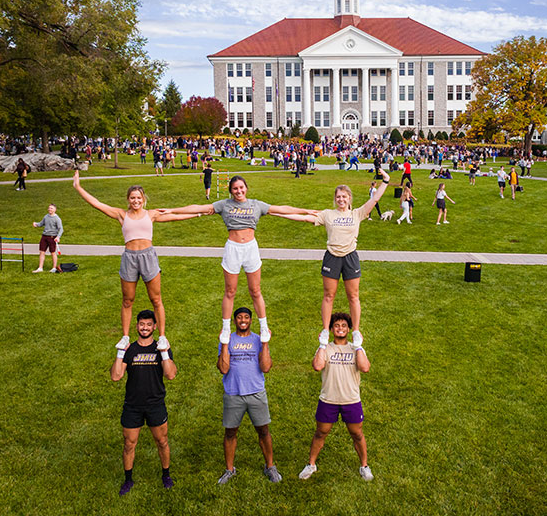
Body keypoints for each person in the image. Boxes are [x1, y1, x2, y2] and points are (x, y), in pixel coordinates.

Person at [159, 175, 316, 343]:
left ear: (246, 188)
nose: (239, 191)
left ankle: (264, 326)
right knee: (230, 291)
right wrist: (173, 210)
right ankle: (225, 328)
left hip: (251, 249)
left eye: (241, 187)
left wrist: (305, 211)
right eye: (235, 188)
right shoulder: (224, 205)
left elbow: (281, 209)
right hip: (233, 249)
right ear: (231, 191)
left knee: (255, 291)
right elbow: (199, 207)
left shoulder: (256, 205)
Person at [73, 170, 205, 352]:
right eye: (133, 198)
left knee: (156, 299)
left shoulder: (151, 214)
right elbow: (96, 203)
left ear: (143, 199)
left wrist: (199, 214)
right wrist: (78, 187)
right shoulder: (121, 214)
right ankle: (125, 337)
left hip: (148, 256)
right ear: (128, 199)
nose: (136, 201)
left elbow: (175, 216)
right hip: (129, 258)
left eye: (139, 198)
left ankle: (163, 337)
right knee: (127, 300)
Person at [280, 170, 390, 347]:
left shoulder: (358, 213)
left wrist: (385, 181)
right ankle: (325, 330)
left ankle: (356, 331)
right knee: (328, 295)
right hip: (332, 257)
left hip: (350, 257)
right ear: (335, 199)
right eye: (338, 197)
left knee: (353, 296)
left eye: (344, 197)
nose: (341, 199)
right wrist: (278, 213)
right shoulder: (327, 214)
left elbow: (374, 199)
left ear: (349, 199)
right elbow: (305, 218)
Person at [298, 313, 373, 482]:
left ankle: (364, 466)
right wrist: (322, 345)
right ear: (331, 329)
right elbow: (317, 366)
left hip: (351, 400)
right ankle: (311, 465)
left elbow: (365, 368)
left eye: (344, 325)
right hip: (328, 400)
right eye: (337, 325)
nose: (340, 328)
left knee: (357, 434)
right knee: (320, 433)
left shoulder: (355, 348)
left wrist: (359, 346)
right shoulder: (325, 347)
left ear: (349, 329)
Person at [111, 310, 177, 496]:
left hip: (155, 404)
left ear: (155, 326)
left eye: (149, 324)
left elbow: (171, 374)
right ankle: (128, 480)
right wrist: (119, 352)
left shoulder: (161, 347)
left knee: (162, 441)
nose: (145, 327)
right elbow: (116, 376)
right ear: (137, 326)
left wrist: (164, 353)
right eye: (142, 324)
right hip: (132, 406)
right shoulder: (130, 349)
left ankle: (166, 475)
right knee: (129, 444)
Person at [215, 307, 281, 485]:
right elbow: (223, 368)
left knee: (263, 430)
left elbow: (266, 367)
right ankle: (230, 470)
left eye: (246, 317)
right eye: (239, 317)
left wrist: (266, 343)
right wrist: (225, 343)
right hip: (233, 394)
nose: (242, 320)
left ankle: (270, 466)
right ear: (235, 321)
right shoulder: (227, 340)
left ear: (251, 320)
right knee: (230, 433)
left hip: (256, 393)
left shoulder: (258, 340)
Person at [31, 204, 63, 273]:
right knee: (42, 252)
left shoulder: (57, 218)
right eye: (49, 208)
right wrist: (36, 224)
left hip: (52, 237)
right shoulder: (46, 216)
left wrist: (58, 237)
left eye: (51, 208)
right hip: (44, 236)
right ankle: (40, 268)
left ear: (55, 210)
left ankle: (54, 268)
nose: (49, 209)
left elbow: (61, 229)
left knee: (53, 253)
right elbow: (41, 223)